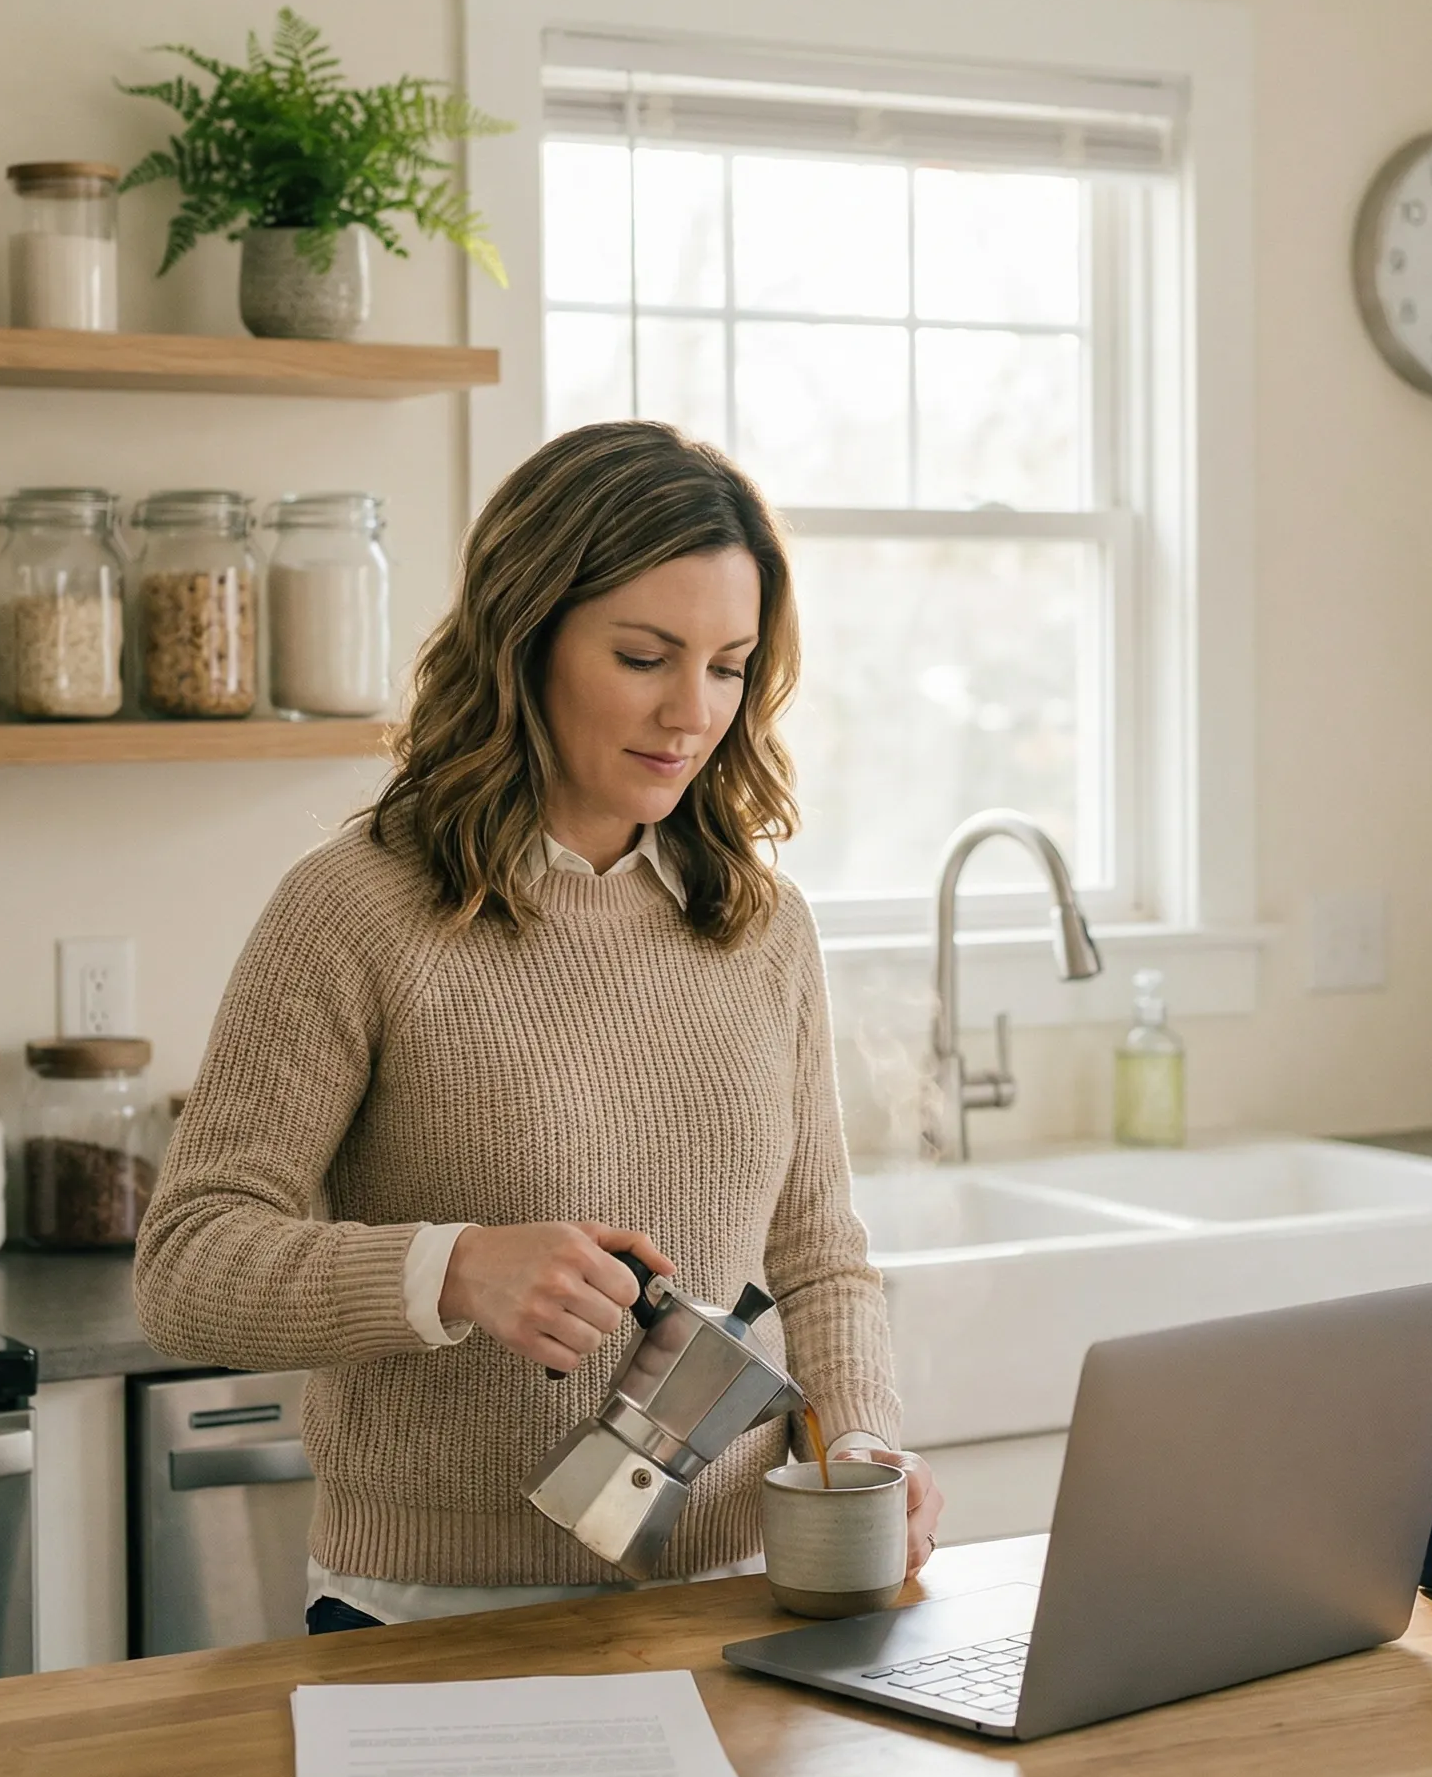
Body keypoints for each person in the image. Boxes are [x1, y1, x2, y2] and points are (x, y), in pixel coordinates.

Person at [135, 420, 941, 1631]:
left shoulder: (757, 924)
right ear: (527, 640)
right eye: (641, 655)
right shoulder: (358, 907)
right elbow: (188, 1265)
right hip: (431, 1613)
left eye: (727, 666)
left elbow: (816, 1254)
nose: (690, 712)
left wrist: (863, 1440)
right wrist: (453, 1268)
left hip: (729, 1603)